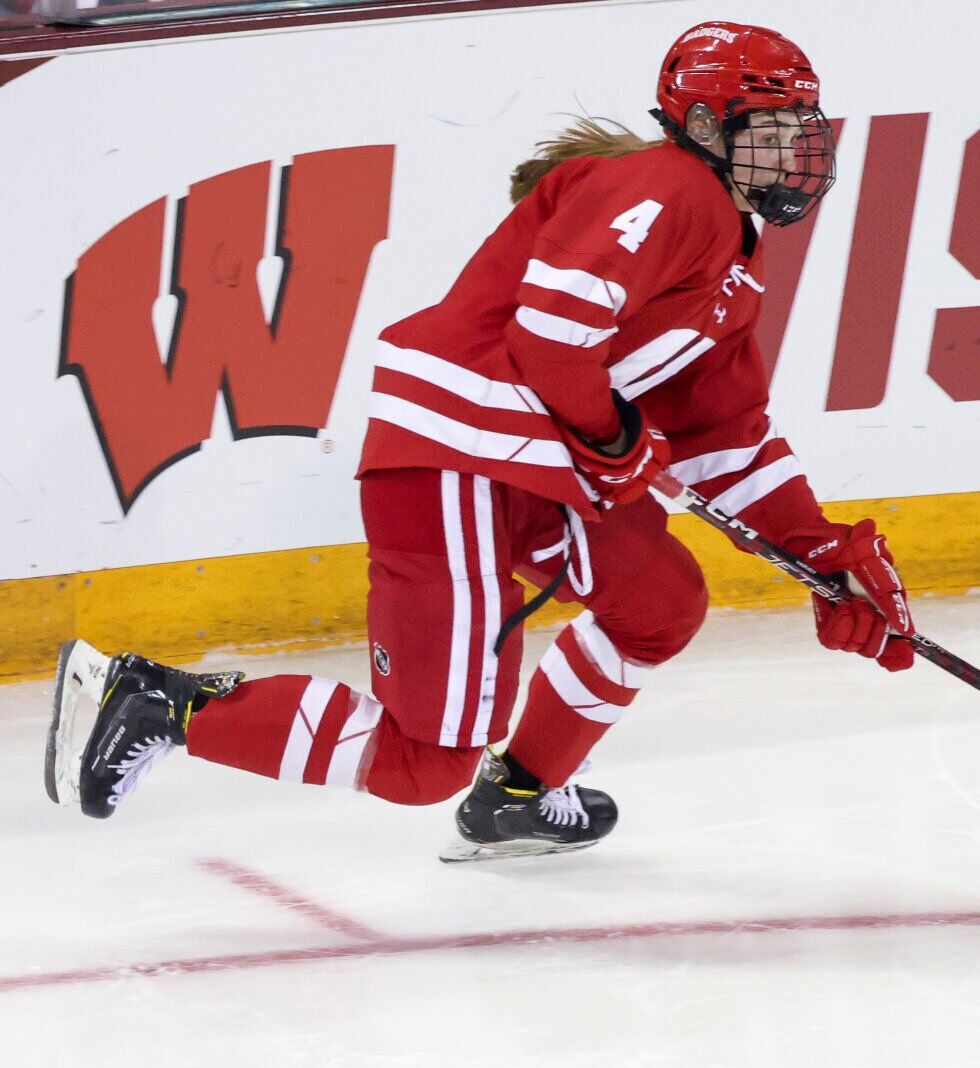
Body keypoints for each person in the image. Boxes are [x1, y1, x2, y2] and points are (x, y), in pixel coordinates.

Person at [45, 21, 917, 862]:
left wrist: (825, 554)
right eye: (771, 129)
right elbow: (552, 334)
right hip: (458, 457)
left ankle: (519, 792)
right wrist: (613, 438)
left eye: (800, 129)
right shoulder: (669, 189)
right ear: (700, 126)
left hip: (529, 469)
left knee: (658, 601)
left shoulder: (733, 258)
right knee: (421, 763)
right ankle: (159, 701)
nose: (795, 152)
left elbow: (722, 436)